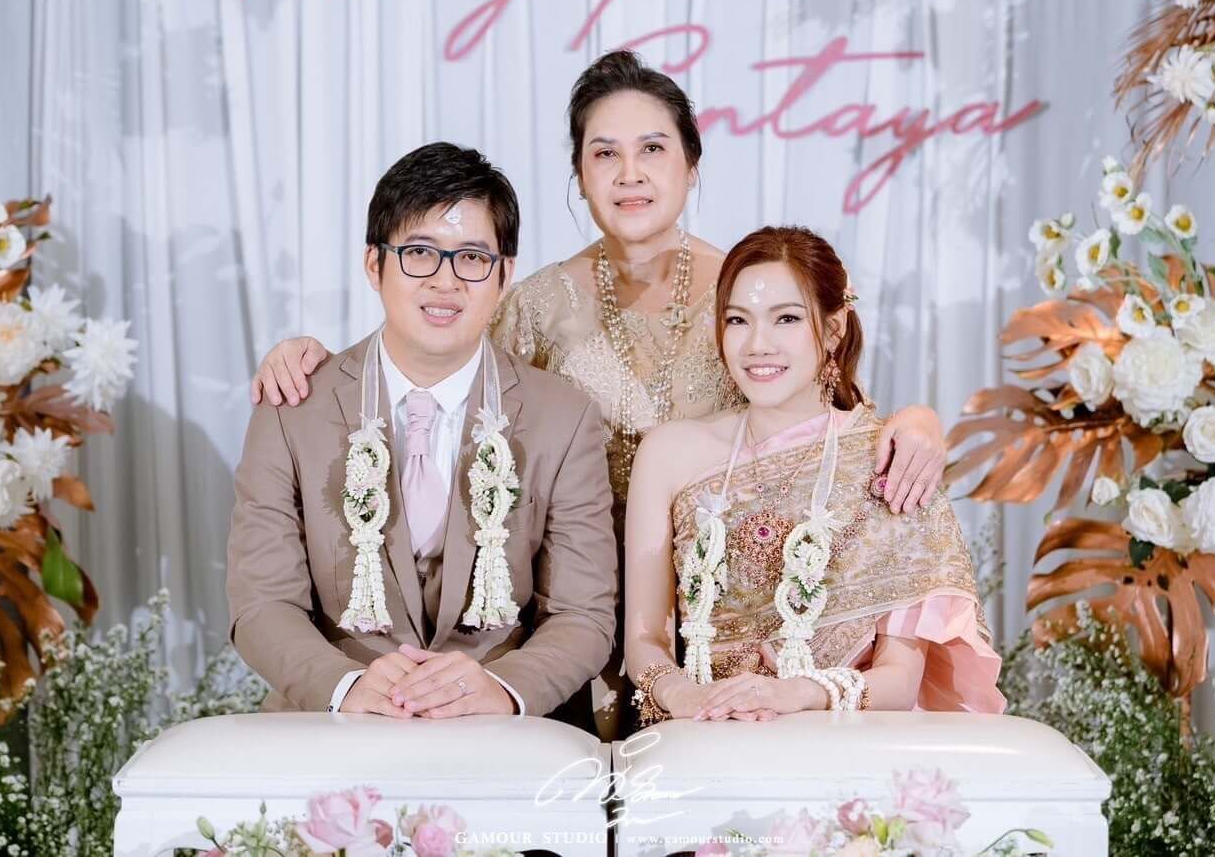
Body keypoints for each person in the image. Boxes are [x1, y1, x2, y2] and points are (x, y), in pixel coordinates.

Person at [246, 51, 949, 734]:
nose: (629, 173)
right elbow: (439, 372)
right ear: (579, 175)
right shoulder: (533, 302)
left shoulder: (746, 294)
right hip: (556, 613)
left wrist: (917, 421)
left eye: (653, 149)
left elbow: (820, 418)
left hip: (717, 621)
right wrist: (314, 362)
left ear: (692, 165)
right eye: (605, 153)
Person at [227, 143, 617, 724]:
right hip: (330, 720)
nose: (445, 281)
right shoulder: (292, 406)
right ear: (374, 264)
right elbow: (262, 602)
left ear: (504, 274)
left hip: (495, 729)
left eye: (472, 258)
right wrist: (345, 685)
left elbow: (583, 613)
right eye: (419, 253)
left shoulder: (564, 418)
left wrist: (503, 688)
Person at [624, 226, 1004, 725]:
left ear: (833, 328)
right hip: (706, 731)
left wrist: (798, 694)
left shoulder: (889, 460)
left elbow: (899, 679)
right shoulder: (668, 454)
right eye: (738, 320)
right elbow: (644, 640)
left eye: (786, 318)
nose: (757, 344)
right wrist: (684, 696)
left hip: (838, 738)